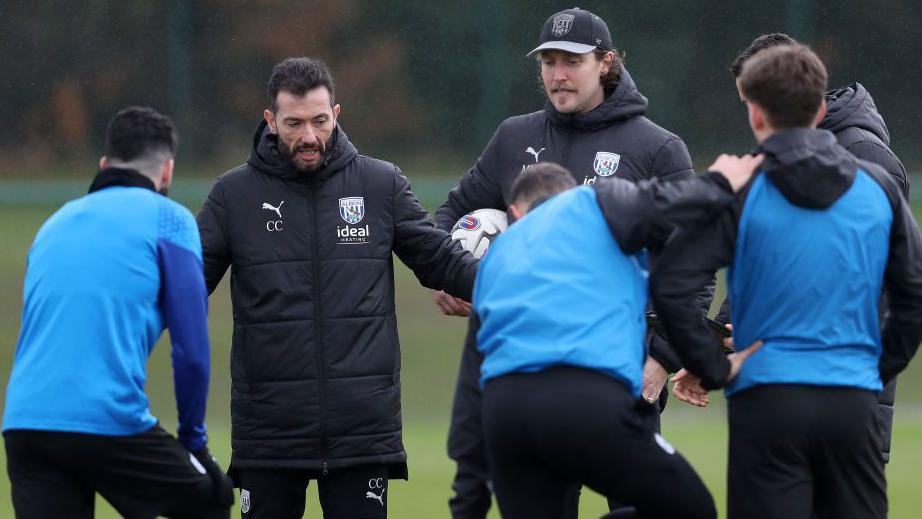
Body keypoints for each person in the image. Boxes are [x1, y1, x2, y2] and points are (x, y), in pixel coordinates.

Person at [432, 8, 705, 517]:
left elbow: (693, 265)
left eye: (571, 62)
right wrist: (456, 276)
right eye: (548, 62)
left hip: (621, 373)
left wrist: (663, 358)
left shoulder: (657, 148)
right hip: (529, 378)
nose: (557, 74)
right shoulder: (514, 137)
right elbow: (452, 211)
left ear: (605, 63)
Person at [196, 57, 478, 519]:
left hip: (360, 432)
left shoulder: (380, 184)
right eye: (294, 123)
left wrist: (512, 284)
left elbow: (439, 258)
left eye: (319, 121)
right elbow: (185, 283)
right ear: (270, 120)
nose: (309, 136)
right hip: (269, 432)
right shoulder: (233, 195)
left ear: (337, 115)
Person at [651, 44, 922, 519]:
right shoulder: (877, 185)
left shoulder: (741, 189)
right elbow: (912, 292)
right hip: (850, 402)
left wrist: (714, 367)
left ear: (755, 115)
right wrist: (874, 368)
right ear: (820, 109)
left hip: (767, 401)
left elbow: (674, 282)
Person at [474, 156, 761, 519]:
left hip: (504, 412)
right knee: (692, 509)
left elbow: (474, 373)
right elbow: (663, 204)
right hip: (583, 400)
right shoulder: (589, 204)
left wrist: (467, 500)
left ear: (516, 213)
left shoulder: (499, 254)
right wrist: (719, 181)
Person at [2, 106, 233, 518]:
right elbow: (191, 349)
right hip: (105, 420)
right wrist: (193, 440)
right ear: (167, 172)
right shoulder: (171, 219)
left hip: (26, 424)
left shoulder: (54, 223)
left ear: (104, 165)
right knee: (210, 497)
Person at [704, 32, 911, 464]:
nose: (753, 117)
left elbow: (881, 285)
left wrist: (868, 369)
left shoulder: (863, 157)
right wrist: (720, 339)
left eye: (755, 101)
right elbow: (766, 259)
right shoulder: (785, 150)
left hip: (846, 390)